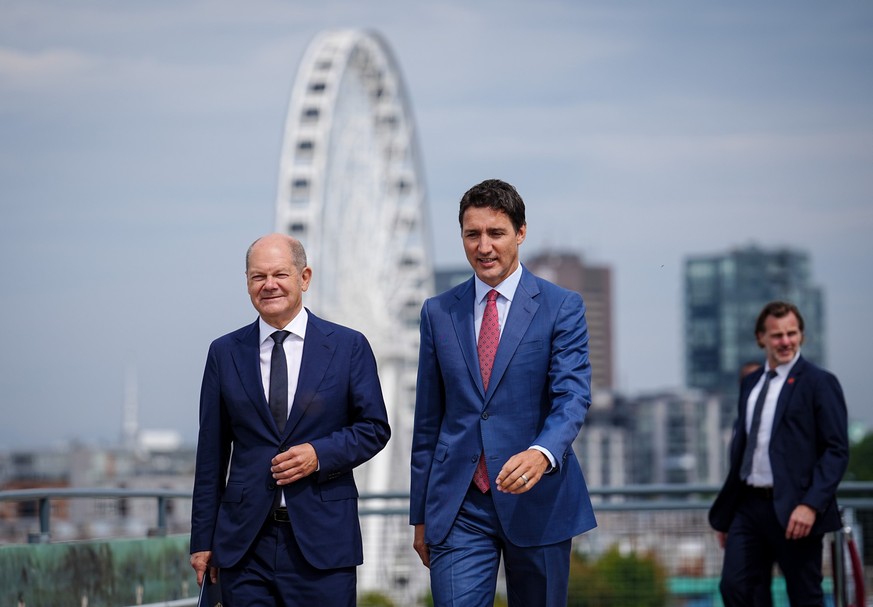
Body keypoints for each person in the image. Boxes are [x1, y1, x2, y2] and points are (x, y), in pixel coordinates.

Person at [410, 179, 596, 606]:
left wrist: (542, 453)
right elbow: (427, 424)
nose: (483, 246)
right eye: (472, 234)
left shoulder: (561, 306)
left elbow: (572, 397)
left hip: (539, 498)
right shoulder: (437, 312)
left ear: (521, 233)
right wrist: (420, 515)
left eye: (495, 233)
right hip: (459, 506)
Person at [189, 233, 391, 606]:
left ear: (304, 277)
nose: (269, 285)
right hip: (244, 546)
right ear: (247, 283)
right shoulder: (224, 352)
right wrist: (202, 540)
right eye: (257, 277)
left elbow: (374, 428)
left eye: (279, 274)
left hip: (323, 543)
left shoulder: (349, 347)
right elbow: (211, 455)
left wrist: (319, 454)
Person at [709, 301, 849, 606]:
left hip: (797, 511)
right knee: (736, 588)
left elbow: (836, 450)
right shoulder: (751, 382)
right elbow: (743, 449)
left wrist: (811, 505)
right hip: (748, 507)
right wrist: (728, 516)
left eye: (792, 333)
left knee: (804, 596)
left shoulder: (819, 382)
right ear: (761, 338)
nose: (786, 341)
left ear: (801, 335)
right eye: (777, 335)